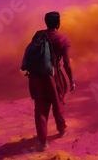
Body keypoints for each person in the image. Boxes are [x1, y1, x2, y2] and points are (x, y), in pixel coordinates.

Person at [25, 12, 75, 151]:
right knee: (57, 103)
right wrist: (71, 80)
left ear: (46, 22)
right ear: (58, 23)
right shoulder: (62, 39)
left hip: (36, 77)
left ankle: (43, 143)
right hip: (52, 77)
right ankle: (62, 129)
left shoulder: (38, 36)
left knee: (40, 109)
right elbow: (67, 64)